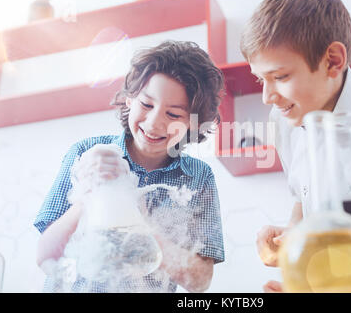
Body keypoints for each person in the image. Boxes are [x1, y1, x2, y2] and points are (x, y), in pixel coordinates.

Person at [240, 0, 351, 292]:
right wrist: (294, 235)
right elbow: (303, 202)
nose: (267, 97)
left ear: (333, 61)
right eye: (259, 80)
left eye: (279, 76)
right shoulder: (285, 119)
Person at [33, 40, 225, 293]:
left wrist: (140, 218)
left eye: (174, 114)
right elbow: (47, 255)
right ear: (129, 99)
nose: (154, 123)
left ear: (192, 123)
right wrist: (88, 195)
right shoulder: (86, 154)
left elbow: (200, 281)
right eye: (146, 104)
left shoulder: (198, 178)